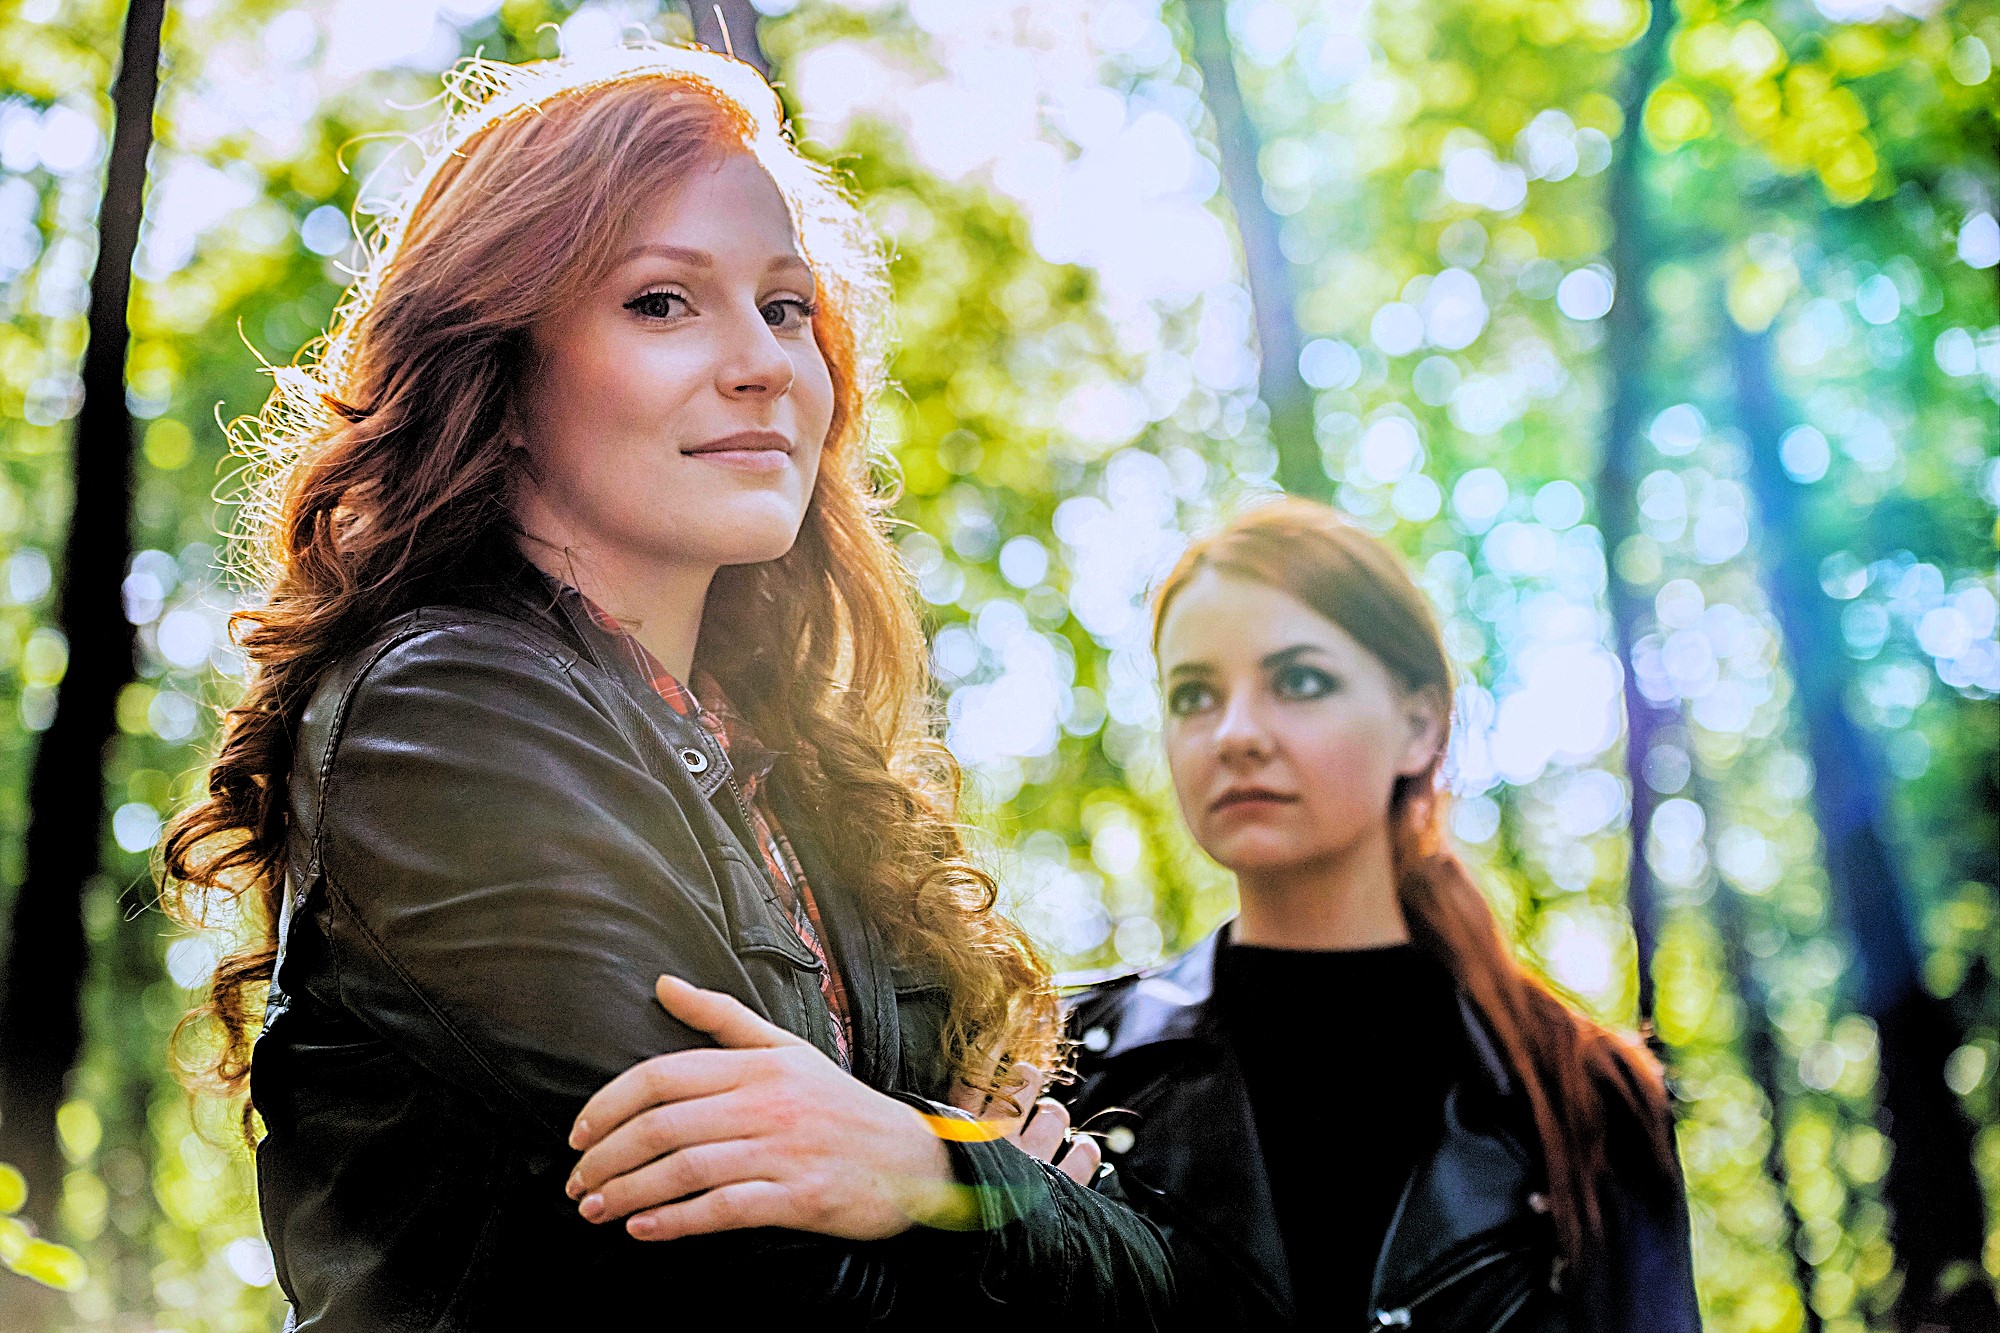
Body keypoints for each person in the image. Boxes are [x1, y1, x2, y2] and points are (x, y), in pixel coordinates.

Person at [163, 44, 1170, 1330]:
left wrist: (932, 1175)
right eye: (661, 303)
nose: (761, 363)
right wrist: (987, 1178)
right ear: (502, 374)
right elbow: (754, 1276)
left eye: (786, 307)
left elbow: (1164, 1287)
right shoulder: (445, 719)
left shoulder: (801, 775)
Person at [1061, 499, 1700, 1331]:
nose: (1236, 733)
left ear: (1420, 725)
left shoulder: (1583, 1090)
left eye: (1299, 681)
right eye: (1194, 695)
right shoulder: (1069, 1064)